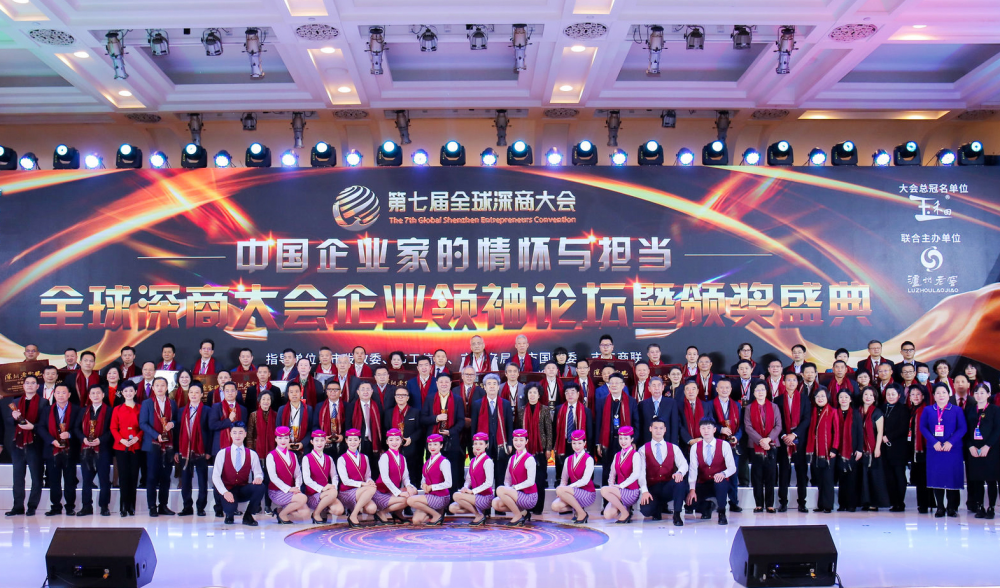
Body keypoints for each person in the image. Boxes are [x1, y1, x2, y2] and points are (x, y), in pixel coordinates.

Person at [920, 384, 967, 517]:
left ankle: (952, 507)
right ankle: (940, 507)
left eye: (944, 392)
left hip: (952, 449)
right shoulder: (928, 410)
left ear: (949, 394)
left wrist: (951, 442)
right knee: (937, 477)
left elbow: (962, 428)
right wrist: (934, 442)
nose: (941, 395)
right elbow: (923, 427)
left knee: (952, 477)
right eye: (938, 393)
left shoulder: (957, 410)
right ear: (934, 396)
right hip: (935, 449)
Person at [211, 421, 265, 526]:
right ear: (230, 434)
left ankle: (248, 516)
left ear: (245, 434)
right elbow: (215, 476)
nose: (237, 435)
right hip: (228, 490)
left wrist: (258, 478)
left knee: (260, 487)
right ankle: (229, 514)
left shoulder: (252, 454)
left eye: (240, 432)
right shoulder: (222, 453)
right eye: (234, 433)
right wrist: (224, 492)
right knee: (230, 509)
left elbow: (258, 473)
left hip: (242, 489)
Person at [39, 384, 80, 516]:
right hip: (52, 449)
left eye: (64, 392)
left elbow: (80, 428)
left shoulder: (77, 410)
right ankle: (55, 507)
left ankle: (70, 507)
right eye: (58, 393)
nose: (61, 395)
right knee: (54, 480)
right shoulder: (47, 410)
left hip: (70, 450)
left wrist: (70, 434)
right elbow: (41, 427)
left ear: (69, 395)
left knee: (70, 480)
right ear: (54, 395)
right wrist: (52, 440)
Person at [638, 418, 688, 525]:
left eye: (661, 428)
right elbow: (641, 472)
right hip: (652, 488)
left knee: (679, 482)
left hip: (667, 486)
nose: (658, 431)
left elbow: (684, 464)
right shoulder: (643, 449)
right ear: (650, 429)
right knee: (646, 511)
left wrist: (679, 473)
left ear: (665, 430)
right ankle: (658, 507)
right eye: (655, 428)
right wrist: (644, 491)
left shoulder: (674, 447)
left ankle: (677, 514)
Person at [686, 418, 736, 525]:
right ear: (699, 430)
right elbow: (693, 469)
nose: (706, 431)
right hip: (703, 482)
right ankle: (707, 507)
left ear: (714, 430)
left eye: (708, 428)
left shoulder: (724, 445)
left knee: (720, 483)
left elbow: (732, 467)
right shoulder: (695, 447)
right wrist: (692, 489)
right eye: (703, 428)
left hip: (719, 481)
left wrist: (723, 474)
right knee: (690, 503)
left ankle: (721, 512)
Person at [140, 377, 178, 516]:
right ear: (153, 388)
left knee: (166, 477)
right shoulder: (147, 403)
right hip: (153, 444)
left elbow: (176, 420)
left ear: (167, 388)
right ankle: (152, 506)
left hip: (168, 445)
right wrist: (157, 435)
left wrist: (172, 423)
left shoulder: (172, 403)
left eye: (163, 385)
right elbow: (142, 423)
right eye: (157, 385)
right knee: (151, 476)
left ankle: (163, 505)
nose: (160, 388)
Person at [596, 374, 638, 497]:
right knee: (607, 471)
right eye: (611, 383)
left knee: (626, 471)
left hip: (626, 442)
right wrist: (598, 443)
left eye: (617, 382)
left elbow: (636, 423)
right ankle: (607, 501)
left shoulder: (631, 401)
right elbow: (598, 423)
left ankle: (625, 500)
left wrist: (633, 441)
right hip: (608, 441)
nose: (613, 385)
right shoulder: (602, 401)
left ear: (623, 385)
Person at [421, 374, 464, 492]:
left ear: (450, 384)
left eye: (446, 382)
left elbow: (461, 421)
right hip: (433, 442)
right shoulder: (430, 399)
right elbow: (423, 419)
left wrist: (450, 432)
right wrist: (436, 418)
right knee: (433, 471)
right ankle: (434, 496)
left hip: (451, 440)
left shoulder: (457, 399)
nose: (444, 384)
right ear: (437, 384)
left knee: (452, 470)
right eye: (441, 382)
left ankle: (451, 500)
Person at [76, 384, 113, 517]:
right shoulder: (83, 411)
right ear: (89, 396)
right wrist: (83, 439)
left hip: (103, 449)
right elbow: (76, 429)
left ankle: (104, 506)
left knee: (104, 480)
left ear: (103, 395)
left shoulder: (110, 411)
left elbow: (112, 430)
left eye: (98, 393)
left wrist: (100, 440)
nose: (95, 396)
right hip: (86, 449)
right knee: (86, 480)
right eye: (93, 393)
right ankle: (86, 506)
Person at [472, 374, 514, 488]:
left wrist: (510, 443)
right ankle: (485, 498)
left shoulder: (505, 404)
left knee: (500, 474)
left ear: (498, 387)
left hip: (501, 444)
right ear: (484, 387)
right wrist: (474, 445)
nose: (492, 386)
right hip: (484, 444)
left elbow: (509, 426)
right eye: (489, 384)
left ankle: (499, 497)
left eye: (494, 384)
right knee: (484, 474)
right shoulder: (477, 404)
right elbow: (474, 427)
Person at [744, 382, 780, 513]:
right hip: (755, 445)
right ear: (753, 393)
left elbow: (778, 426)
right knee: (757, 476)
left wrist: (768, 439)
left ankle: (770, 504)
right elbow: (748, 427)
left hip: (772, 444)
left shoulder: (774, 406)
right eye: (757, 390)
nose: (760, 392)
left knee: (771, 475)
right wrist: (760, 440)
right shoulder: (749, 408)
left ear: (766, 392)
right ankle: (758, 504)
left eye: (762, 390)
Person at [176, 382, 211, 517]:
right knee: (185, 481)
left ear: (202, 394)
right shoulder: (181, 411)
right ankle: (187, 507)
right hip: (185, 451)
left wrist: (208, 451)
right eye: (191, 392)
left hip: (201, 451)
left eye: (197, 392)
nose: (194, 395)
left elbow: (210, 432)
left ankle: (201, 507)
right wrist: (177, 451)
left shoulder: (207, 410)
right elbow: (177, 432)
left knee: (202, 481)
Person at [516, 383, 552, 515]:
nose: (532, 395)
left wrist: (548, 448)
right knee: (525, 478)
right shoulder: (521, 410)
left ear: (539, 395)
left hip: (540, 450)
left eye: (535, 393)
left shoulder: (545, 410)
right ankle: (526, 507)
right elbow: (518, 431)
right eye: (530, 392)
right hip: (525, 451)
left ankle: (538, 508)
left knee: (539, 480)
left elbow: (549, 431)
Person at [777, 372, 810, 513]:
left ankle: (802, 502)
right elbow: (777, 420)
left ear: (798, 383)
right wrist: (785, 435)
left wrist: (794, 434)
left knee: (802, 473)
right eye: (788, 380)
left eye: (794, 380)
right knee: (784, 473)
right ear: (783, 383)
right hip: (784, 441)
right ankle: (783, 502)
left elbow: (807, 419)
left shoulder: (804, 399)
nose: (791, 383)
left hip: (800, 441)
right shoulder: (778, 400)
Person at [965, 385, 998, 519]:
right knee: (977, 480)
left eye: (982, 393)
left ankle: (991, 507)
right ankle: (979, 506)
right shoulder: (970, 410)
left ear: (988, 394)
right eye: (976, 393)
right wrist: (970, 446)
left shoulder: (995, 410)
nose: (979, 395)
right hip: (974, 449)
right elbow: (965, 430)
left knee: (991, 480)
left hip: (991, 449)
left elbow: (997, 430)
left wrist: (987, 446)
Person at [493, 429, 538, 526]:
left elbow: (531, 481)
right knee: (495, 503)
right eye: (516, 440)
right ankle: (523, 513)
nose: (518, 443)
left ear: (526, 441)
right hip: (516, 494)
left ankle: (518, 516)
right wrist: (508, 490)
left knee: (500, 489)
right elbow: (507, 480)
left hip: (529, 496)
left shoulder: (529, 459)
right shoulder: (512, 458)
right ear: (512, 441)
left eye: (521, 440)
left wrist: (513, 488)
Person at [267, 426, 311, 523]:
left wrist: (297, 487)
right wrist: (289, 489)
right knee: (303, 498)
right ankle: (282, 515)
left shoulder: (293, 455)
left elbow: (298, 474)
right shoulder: (271, 456)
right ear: (275, 439)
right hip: (276, 491)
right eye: (280, 438)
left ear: (289, 439)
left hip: (292, 490)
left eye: (286, 438)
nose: (283, 441)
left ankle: (279, 511)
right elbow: (273, 478)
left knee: (305, 514)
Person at [110, 382, 142, 517]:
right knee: (123, 476)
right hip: (121, 446)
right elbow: (113, 428)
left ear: (135, 392)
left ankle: (131, 506)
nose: (128, 393)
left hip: (136, 446)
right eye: (125, 391)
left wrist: (137, 437)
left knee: (134, 476)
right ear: (122, 393)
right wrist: (121, 440)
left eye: (131, 391)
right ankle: (123, 506)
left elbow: (143, 426)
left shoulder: (140, 408)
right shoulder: (117, 409)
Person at [552, 430, 596, 524]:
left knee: (560, 489)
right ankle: (579, 510)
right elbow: (564, 480)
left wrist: (566, 488)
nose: (577, 446)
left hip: (587, 493)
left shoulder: (589, 459)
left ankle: (581, 514)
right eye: (574, 443)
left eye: (579, 443)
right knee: (555, 506)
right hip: (572, 493)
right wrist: (562, 490)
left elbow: (585, 481)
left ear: (584, 443)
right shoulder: (568, 459)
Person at [451, 432, 495, 525]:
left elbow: (489, 483)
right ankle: (479, 512)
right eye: (475, 443)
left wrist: (472, 491)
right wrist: (466, 487)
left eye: (481, 444)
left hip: (485, 497)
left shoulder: (487, 461)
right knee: (453, 508)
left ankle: (478, 515)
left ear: (486, 445)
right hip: (475, 496)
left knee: (456, 495)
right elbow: (469, 479)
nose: (477, 446)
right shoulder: (472, 461)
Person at [712, 379, 742, 512]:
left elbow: (741, 426)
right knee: (716, 473)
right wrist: (720, 429)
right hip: (716, 443)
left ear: (731, 390)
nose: (724, 390)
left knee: (733, 474)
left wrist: (737, 437)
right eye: (721, 387)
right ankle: (718, 503)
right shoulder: (710, 404)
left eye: (727, 388)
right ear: (717, 389)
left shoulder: (737, 405)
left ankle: (734, 502)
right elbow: (708, 423)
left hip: (732, 444)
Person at [806, 389, 838, 513]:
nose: (820, 398)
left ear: (827, 398)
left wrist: (834, 448)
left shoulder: (833, 411)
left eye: (822, 396)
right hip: (815, 451)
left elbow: (836, 432)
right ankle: (821, 505)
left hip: (828, 451)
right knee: (819, 479)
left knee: (828, 480)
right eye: (817, 396)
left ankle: (828, 505)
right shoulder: (813, 411)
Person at [337, 429, 378, 527]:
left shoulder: (365, 457)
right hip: (346, 491)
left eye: (355, 440)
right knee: (371, 489)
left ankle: (354, 509)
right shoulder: (342, 459)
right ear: (346, 441)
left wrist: (370, 481)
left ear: (360, 441)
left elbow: (367, 476)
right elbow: (345, 481)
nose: (353, 442)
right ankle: (354, 515)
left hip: (362, 491)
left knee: (372, 509)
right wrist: (363, 484)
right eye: (350, 440)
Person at [373, 428, 415, 524]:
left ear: (401, 441)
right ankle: (381, 513)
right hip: (382, 493)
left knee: (413, 491)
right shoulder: (384, 457)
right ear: (387, 442)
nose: (394, 442)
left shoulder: (402, 458)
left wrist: (408, 486)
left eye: (397, 439)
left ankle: (397, 513)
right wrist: (399, 493)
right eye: (391, 440)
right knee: (405, 500)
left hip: (392, 492)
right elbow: (385, 479)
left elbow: (405, 477)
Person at [600, 426, 641, 523]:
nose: (623, 441)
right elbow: (612, 474)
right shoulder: (617, 455)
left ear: (632, 439)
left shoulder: (635, 455)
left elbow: (636, 474)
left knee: (604, 490)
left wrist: (621, 486)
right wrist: (611, 487)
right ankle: (626, 509)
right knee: (607, 515)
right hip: (619, 490)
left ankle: (624, 513)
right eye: (621, 438)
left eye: (626, 438)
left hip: (631, 491)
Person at [383, 386, 422, 488]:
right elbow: (385, 429)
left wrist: (411, 439)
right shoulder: (388, 413)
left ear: (408, 398)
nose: (400, 397)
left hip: (411, 449)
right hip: (394, 449)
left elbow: (420, 429)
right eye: (398, 395)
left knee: (411, 474)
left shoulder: (415, 412)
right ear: (395, 397)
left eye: (403, 395)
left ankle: (412, 493)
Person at [408, 433, 450, 525]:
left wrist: (432, 487)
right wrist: (423, 485)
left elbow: (448, 483)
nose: (432, 447)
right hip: (430, 496)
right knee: (416, 521)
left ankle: (436, 515)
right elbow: (423, 479)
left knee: (410, 500)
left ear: (441, 446)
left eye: (435, 444)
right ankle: (437, 513)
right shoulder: (427, 462)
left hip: (441, 497)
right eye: (430, 444)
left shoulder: (444, 461)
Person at [859, 387, 890, 511]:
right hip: (860, 449)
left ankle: (874, 502)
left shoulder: (877, 412)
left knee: (874, 476)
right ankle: (864, 502)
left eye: (871, 395)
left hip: (873, 449)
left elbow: (880, 432)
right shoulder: (858, 411)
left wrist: (877, 448)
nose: (868, 397)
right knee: (862, 477)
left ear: (875, 398)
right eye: (866, 394)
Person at [246, 391, 277, 515]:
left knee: (269, 480)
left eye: (268, 399)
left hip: (271, 453)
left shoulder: (275, 415)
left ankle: (268, 506)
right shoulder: (253, 415)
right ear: (259, 401)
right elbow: (249, 435)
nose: (266, 402)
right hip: (257, 453)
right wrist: (251, 454)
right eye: (263, 399)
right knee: (257, 480)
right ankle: (256, 505)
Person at [303, 431, 344, 524]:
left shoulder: (329, 458)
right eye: (316, 440)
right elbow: (307, 480)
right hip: (313, 494)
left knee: (339, 510)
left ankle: (322, 510)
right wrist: (322, 489)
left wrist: (334, 486)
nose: (319, 443)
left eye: (322, 440)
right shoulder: (307, 458)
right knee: (332, 493)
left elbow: (334, 476)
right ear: (312, 442)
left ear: (325, 441)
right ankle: (316, 513)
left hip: (328, 493)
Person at [881, 387, 910, 512]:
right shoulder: (882, 408)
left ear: (899, 395)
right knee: (889, 476)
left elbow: (903, 428)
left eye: (893, 394)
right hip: (885, 449)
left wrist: (889, 437)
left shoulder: (903, 409)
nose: (890, 396)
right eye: (888, 394)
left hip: (899, 448)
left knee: (899, 475)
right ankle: (893, 502)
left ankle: (900, 502)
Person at [834, 389, 863, 512]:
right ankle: (842, 504)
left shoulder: (855, 414)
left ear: (850, 399)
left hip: (852, 450)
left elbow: (860, 432)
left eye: (846, 397)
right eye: (841, 397)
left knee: (852, 479)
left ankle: (851, 504)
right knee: (841, 479)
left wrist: (860, 449)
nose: (844, 399)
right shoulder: (835, 413)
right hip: (838, 451)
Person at [906, 386, 932, 513]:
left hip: (925, 449)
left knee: (924, 477)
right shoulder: (912, 410)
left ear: (923, 396)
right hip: (914, 449)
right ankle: (922, 504)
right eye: (912, 394)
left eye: (918, 394)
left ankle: (925, 504)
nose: (915, 397)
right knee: (919, 478)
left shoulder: (926, 410)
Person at [210, 382, 249, 456]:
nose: (230, 393)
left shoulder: (243, 409)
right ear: (223, 392)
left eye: (232, 391)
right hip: (219, 447)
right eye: (227, 391)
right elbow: (212, 425)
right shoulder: (216, 407)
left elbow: (244, 428)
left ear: (236, 392)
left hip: (238, 447)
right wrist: (229, 420)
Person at [638, 377, 677, 447]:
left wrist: (673, 445)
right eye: (654, 386)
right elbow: (641, 426)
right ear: (649, 388)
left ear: (663, 387)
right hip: (648, 442)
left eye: (659, 385)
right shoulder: (642, 404)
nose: (656, 388)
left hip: (667, 442)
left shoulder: (671, 403)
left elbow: (674, 425)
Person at [348, 381, 382, 459]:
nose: (365, 392)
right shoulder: (351, 407)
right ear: (358, 392)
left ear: (372, 391)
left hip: (373, 442)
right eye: (362, 389)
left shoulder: (378, 407)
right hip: (358, 442)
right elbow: (348, 426)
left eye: (368, 389)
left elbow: (381, 426)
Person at [277, 382, 311, 456]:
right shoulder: (282, 409)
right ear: (288, 394)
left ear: (301, 393)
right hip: (286, 446)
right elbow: (278, 429)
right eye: (291, 392)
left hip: (303, 447)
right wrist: (285, 443)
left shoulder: (308, 409)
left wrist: (303, 443)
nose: (294, 394)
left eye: (296, 391)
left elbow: (310, 430)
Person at [316, 380, 347, 461]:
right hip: (324, 443)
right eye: (330, 389)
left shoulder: (347, 406)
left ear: (340, 391)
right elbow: (315, 426)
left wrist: (343, 436)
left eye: (336, 390)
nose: (333, 392)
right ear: (326, 392)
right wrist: (322, 437)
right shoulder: (319, 406)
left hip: (342, 444)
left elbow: (350, 425)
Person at [678, 381, 708, 448]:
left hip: (703, 442)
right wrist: (689, 440)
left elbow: (709, 423)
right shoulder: (679, 406)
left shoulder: (705, 406)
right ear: (684, 392)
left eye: (693, 389)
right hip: (685, 443)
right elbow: (679, 425)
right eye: (688, 389)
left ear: (697, 391)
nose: (691, 392)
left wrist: (701, 438)